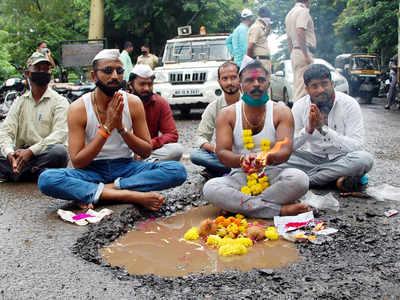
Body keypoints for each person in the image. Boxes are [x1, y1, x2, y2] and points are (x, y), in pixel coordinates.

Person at [38, 49, 187, 210]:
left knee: (177, 170)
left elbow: (145, 152)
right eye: (108, 71)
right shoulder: (78, 108)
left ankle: (100, 192)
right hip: (92, 171)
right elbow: (78, 162)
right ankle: (128, 195)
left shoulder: (133, 102)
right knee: (47, 179)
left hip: (127, 168)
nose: (115, 76)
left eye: (119, 71)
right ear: (94, 76)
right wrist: (107, 128)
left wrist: (121, 128)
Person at [203, 60, 309, 218]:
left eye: (261, 80)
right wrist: (242, 160)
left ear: (268, 83)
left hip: (274, 175)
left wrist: (265, 158)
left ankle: (243, 206)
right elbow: (222, 152)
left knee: (300, 180)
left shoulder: (282, 111)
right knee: (210, 188)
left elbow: (285, 151)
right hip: (241, 176)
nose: (256, 84)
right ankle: (278, 210)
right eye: (250, 80)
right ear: (241, 84)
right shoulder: (227, 114)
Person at [284, 64, 373, 192]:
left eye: (324, 84)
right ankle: (333, 178)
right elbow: (290, 146)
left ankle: (305, 181)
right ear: (307, 89)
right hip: (312, 159)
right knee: (278, 157)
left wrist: (323, 129)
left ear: (332, 84)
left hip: (342, 159)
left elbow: (355, 146)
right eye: (314, 86)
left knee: (364, 159)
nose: (321, 90)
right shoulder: (299, 107)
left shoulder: (349, 104)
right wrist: (308, 129)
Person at [0, 52, 69, 182]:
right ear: (27, 74)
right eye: (38, 69)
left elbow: (60, 134)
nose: (43, 72)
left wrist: (31, 152)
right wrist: (9, 153)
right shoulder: (20, 102)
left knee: (60, 152)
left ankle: (17, 173)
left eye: (46, 69)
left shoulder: (60, 101)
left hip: (44, 152)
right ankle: (37, 172)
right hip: (23, 152)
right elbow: (6, 131)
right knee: (3, 150)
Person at [190, 61, 241, 179]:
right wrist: (214, 148)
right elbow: (200, 137)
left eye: (233, 77)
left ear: (240, 78)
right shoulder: (213, 107)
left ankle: (219, 170)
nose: (229, 82)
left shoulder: (250, 103)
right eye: (225, 78)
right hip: (223, 155)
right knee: (196, 155)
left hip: (248, 152)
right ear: (219, 82)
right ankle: (233, 169)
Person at [128, 64, 184, 161]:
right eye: (142, 84)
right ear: (131, 85)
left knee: (177, 150)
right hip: (126, 151)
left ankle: (143, 164)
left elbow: (172, 134)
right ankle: (148, 165)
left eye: (150, 84)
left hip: (148, 150)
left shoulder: (160, 103)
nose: (146, 88)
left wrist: (150, 144)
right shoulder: (122, 101)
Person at [285, 0, 316, 102]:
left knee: (298, 87)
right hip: (303, 51)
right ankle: (298, 117)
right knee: (303, 90)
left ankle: (299, 115)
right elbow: (300, 31)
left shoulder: (290, 13)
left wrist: (293, 53)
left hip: (296, 51)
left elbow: (289, 38)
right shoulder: (303, 11)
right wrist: (306, 54)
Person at [247, 7, 272, 75]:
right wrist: (249, 63)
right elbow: (250, 47)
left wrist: (267, 32)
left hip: (263, 60)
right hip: (260, 61)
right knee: (262, 82)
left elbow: (260, 42)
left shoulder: (261, 28)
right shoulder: (256, 27)